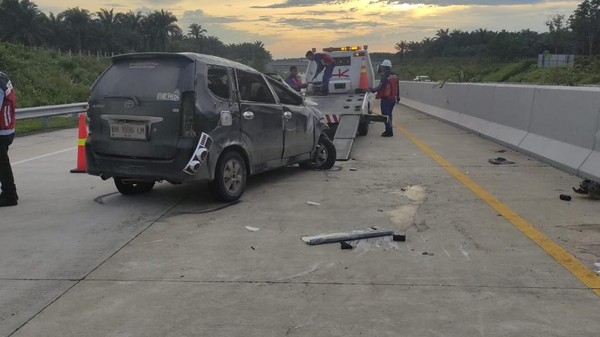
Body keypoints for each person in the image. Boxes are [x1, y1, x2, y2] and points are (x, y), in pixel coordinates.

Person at [0, 71, 17, 206]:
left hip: (2, 131)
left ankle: (9, 195)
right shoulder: (3, 76)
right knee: (2, 163)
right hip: (7, 128)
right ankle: (10, 192)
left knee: (2, 163)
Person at [370, 59, 399, 137]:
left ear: (385, 67)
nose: (382, 68)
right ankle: (389, 130)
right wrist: (398, 96)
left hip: (386, 99)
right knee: (389, 115)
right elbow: (397, 86)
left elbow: (380, 86)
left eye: (383, 67)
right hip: (393, 98)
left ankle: (389, 131)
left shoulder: (384, 75)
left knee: (385, 115)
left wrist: (372, 90)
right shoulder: (395, 75)